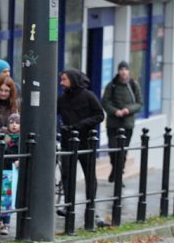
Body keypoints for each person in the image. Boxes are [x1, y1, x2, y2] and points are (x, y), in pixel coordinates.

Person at [57, 69, 105, 225]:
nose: (61, 83)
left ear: (72, 79)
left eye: (64, 79)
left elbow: (99, 115)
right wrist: (60, 127)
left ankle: (91, 208)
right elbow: (52, 113)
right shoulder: (63, 98)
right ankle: (68, 205)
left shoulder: (88, 96)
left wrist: (79, 126)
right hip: (67, 142)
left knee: (90, 176)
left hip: (86, 142)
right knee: (67, 175)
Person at [101, 61, 143, 182]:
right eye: (121, 69)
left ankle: (118, 177)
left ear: (129, 71)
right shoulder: (112, 85)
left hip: (127, 124)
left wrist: (127, 110)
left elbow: (139, 104)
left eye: (125, 69)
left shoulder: (133, 85)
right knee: (113, 151)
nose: (123, 71)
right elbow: (105, 102)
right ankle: (116, 170)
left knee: (123, 152)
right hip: (113, 124)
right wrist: (115, 111)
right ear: (118, 71)